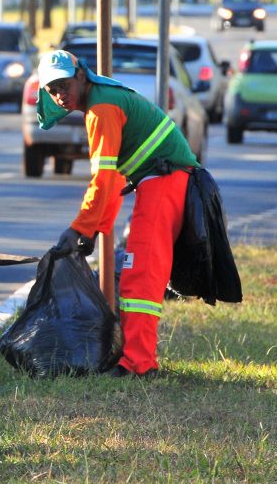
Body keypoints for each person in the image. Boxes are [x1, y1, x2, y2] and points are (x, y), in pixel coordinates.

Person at [36, 49, 199, 378]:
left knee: (140, 272)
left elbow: (105, 178)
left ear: (81, 76)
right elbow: (112, 182)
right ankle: (137, 358)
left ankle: (139, 364)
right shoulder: (99, 99)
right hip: (160, 181)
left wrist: (80, 227)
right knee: (139, 270)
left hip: (165, 181)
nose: (59, 95)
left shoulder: (102, 108)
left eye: (64, 85)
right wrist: (93, 230)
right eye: (52, 90)